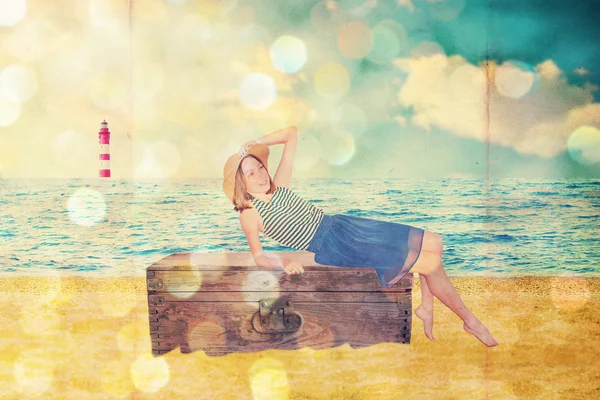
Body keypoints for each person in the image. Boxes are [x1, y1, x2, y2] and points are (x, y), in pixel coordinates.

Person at [222, 126, 499, 347]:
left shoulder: (279, 186)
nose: (259, 174)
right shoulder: (249, 212)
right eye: (250, 173)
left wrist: (253, 143)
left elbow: (292, 133)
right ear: (241, 183)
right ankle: (470, 320)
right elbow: (258, 256)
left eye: (259, 166)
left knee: (435, 242)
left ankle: (427, 306)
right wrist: (282, 262)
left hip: (343, 225)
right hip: (335, 246)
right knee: (429, 265)